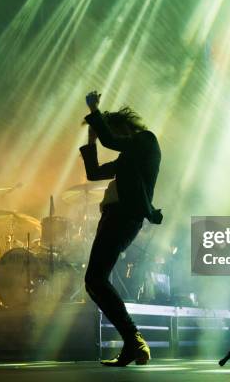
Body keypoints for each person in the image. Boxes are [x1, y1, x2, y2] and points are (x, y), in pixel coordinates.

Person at [79, 90, 162, 366]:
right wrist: (92, 136)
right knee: (94, 281)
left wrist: (94, 110)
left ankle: (134, 339)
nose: (113, 138)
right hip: (113, 218)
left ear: (126, 128)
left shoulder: (146, 141)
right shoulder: (129, 157)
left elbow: (111, 140)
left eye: (116, 131)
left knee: (96, 279)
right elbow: (94, 173)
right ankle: (132, 344)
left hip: (125, 217)